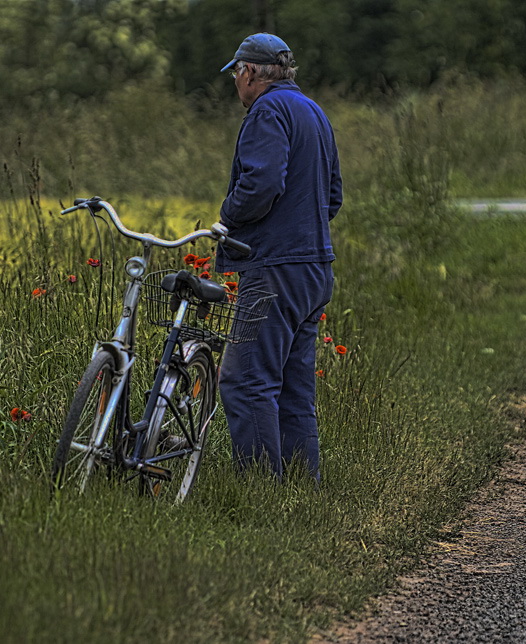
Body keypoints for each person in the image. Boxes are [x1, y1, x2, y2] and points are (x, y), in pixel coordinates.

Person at [215, 33, 343, 481]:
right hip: (314, 268)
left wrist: (227, 216)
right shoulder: (314, 111)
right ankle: (301, 491)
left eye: (236, 72)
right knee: (292, 390)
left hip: (274, 269)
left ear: (250, 72)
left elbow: (261, 184)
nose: (235, 82)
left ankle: (260, 491)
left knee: (245, 381)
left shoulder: (267, 110)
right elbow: (333, 196)